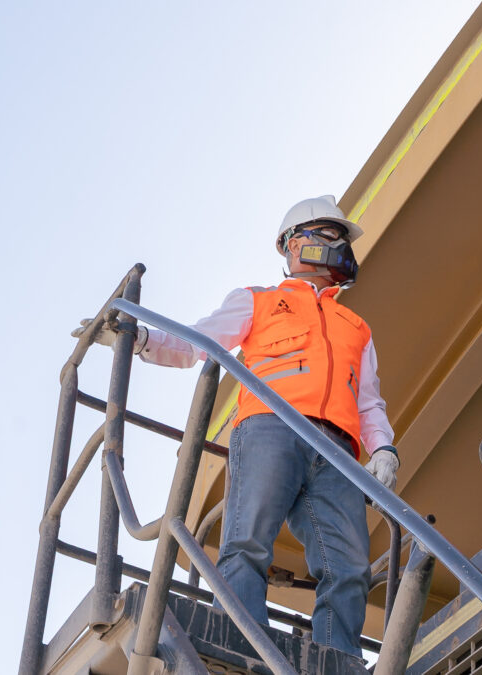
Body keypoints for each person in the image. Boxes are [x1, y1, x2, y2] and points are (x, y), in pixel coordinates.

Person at [74, 195, 398, 657]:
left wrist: (383, 448)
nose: (339, 246)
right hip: (270, 428)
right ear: (292, 245)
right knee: (247, 544)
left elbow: (368, 401)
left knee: (348, 568)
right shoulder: (259, 301)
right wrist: (139, 337)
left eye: (341, 238)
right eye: (329, 234)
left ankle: (338, 661)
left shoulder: (356, 327)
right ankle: (248, 651)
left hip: (337, 451)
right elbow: (197, 343)